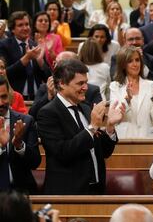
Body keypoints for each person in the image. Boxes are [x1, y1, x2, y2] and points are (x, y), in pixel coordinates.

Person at [37, 58, 125, 194]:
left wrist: (110, 127)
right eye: (80, 83)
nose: (86, 87)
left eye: (86, 82)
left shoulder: (85, 108)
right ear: (62, 84)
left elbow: (104, 152)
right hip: (67, 194)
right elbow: (63, 152)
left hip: (96, 190)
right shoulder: (47, 113)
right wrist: (92, 127)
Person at [29, 51, 102, 120]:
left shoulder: (92, 90)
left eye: (61, 64)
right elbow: (32, 114)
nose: (55, 67)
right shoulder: (45, 88)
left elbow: (99, 117)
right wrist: (48, 96)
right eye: (55, 63)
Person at [110, 46, 153, 139]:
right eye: (130, 61)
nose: (135, 64)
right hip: (124, 138)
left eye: (137, 60)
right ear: (123, 65)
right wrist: (128, 99)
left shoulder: (152, 85)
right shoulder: (115, 86)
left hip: (148, 138)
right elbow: (116, 115)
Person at [0, 76, 40, 193]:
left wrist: (19, 144)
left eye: (4, 97)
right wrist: (1, 147)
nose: (1, 103)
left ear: (10, 95)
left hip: (21, 192)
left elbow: (35, 163)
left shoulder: (26, 121)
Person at [0, 11, 51, 100]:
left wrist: (40, 61)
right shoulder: (4, 45)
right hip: (15, 98)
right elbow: (5, 74)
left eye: (27, 24)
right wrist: (26, 58)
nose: (25, 28)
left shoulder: (35, 45)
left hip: (37, 98)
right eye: (20, 25)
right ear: (12, 29)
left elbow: (48, 76)